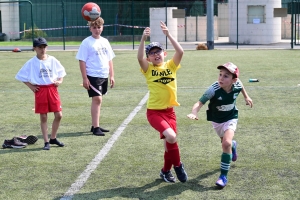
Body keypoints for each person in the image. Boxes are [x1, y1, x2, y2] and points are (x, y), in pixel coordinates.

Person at [187, 62, 253, 188]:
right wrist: (194, 112)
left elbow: (241, 84)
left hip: (231, 117)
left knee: (225, 143)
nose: (221, 78)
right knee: (226, 142)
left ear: (234, 80)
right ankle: (233, 145)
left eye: (226, 76)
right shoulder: (213, 89)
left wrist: (246, 97)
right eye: (220, 74)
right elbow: (199, 103)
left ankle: (223, 176)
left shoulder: (237, 84)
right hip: (217, 120)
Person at [137, 21, 188, 183]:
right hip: (154, 112)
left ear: (164, 53)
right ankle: (178, 166)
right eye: (152, 53)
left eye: (158, 51)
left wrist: (168, 35)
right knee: (171, 137)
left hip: (170, 112)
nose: (156, 54)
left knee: (169, 144)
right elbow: (139, 58)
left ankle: (165, 171)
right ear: (149, 58)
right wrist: (143, 39)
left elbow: (180, 51)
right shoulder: (148, 69)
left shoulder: (171, 66)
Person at [15, 37, 66, 150]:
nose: (42, 49)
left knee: (59, 115)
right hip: (40, 90)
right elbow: (20, 76)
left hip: (52, 89)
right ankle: (46, 141)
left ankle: (53, 138)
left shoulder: (52, 60)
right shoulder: (31, 62)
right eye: (40, 47)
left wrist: (59, 81)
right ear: (35, 48)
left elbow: (61, 72)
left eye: (44, 47)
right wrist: (31, 86)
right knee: (43, 117)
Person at [76, 17, 115, 136]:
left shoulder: (105, 41)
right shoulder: (86, 42)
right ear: (90, 28)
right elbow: (82, 60)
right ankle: (96, 127)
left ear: (102, 28)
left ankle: (95, 125)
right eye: (94, 27)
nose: (97, 30)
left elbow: (109, 59)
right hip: (92, 74)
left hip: (103, 74)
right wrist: (84, 78)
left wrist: (112, 75)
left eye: (99, 27)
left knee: (99, 100)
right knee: (97, 99)